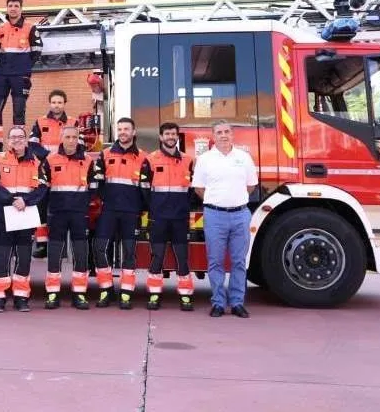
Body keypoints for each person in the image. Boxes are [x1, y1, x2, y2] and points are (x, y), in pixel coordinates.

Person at [191, 119, 258, 318]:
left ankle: (237, 303)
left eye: (227, 131)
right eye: (219, 132)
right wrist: (216, 201)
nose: (223, 135)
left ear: (232, 134)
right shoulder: (205, 159)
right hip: (214, 216)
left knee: (239, 261)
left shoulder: (244, 158)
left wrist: (234, 200)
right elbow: (198, 188)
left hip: (240, 215)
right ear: (213, 136)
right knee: (215, 262)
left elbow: (251, 185)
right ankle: (218, 302)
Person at [0, 126, 50, 312]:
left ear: (26, 140)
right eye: (13, 137)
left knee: (23, 258)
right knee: (2, 257)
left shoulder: (36, 163)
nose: (17, 140)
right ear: (8, 140)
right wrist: (11, 200)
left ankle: (21, 297)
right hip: (5, 215)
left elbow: (43, 187)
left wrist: (26, 200)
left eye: (20, 137)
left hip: (25, 215)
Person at [43, 126, 101, 310]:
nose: (70, 140)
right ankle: (52, 293)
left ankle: (79, 294)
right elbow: (43, 187)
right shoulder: (50, 160)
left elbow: (95, 184)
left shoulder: (87, 160)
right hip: (57, 213)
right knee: (54, 254)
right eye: (67, 137)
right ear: (61, 138)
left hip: (79, 213)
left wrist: (84, 201)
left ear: (78, 139)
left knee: (81, 254)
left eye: (74, 137)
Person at [93, 117, 148, 309]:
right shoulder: (105, 154)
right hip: (108, 211)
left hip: (131, 213)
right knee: (100, 249)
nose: (123, 132)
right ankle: (106, 290)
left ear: (134, 132)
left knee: (129, 253)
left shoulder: (143, 157)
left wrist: (141, 208)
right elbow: (97, 183)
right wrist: (105, 201)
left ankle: (126, 293)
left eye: (126, 129)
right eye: (120, 129)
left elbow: (146, 188)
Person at [140, 122, 195, 311]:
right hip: (159, 217)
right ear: (161, 137)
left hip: (180, 217)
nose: (171, 137)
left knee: (182, 257)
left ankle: (186, 296)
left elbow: (192, 190)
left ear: (177, 137)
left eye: (174, 134)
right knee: (157, 256)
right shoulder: (151, 159)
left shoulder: (188, 160)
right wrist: (154, 207)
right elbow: (145, 189)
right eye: (167, 134)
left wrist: (184, 206)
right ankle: (154, 295)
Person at [28, 89, 82, 258]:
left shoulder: (74, 122)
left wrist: (61, 157)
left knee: (60, 208)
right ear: (50, 103)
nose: (56, 105)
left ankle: (60, 245)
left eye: (60, 102)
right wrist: (48, 157)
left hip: (66, 172)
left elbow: (79, 145)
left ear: (64, 104)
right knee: (41, 207)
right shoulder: (40, 121)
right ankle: (42, 244)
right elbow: (32, 144)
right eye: (54, 102)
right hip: (44, 170)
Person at [0, 0, 43, 152]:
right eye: (10, 6)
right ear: (7, 8)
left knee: (19, 109)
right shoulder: (0, 29)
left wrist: (24, 66)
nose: (13, 9)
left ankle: (19, 144)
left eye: (16, 6)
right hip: (1, 75)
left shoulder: (30, 28)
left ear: (21, 9)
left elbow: (37, 51)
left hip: (21, 76)